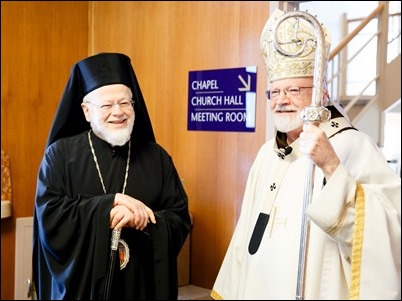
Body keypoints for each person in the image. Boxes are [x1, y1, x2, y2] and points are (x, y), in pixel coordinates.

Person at [211, 9, 401, 300]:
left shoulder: (351, 146)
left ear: (321, 94)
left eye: (294, 90)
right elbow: (245, 236)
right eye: (273, 93)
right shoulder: (267, 153)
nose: (281, 101)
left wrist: (332, 167)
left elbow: (389, 229)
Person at [32, 52, 192, 300]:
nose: (118, 112)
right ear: (86, 111)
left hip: (141, 289)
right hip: (83, 291)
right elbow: (50, 217)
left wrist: (143, 220)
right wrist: (108, 206)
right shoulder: (60, 156)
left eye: (125, 103)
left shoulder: (157, 158)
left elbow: (179, 218)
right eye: (106, 105)